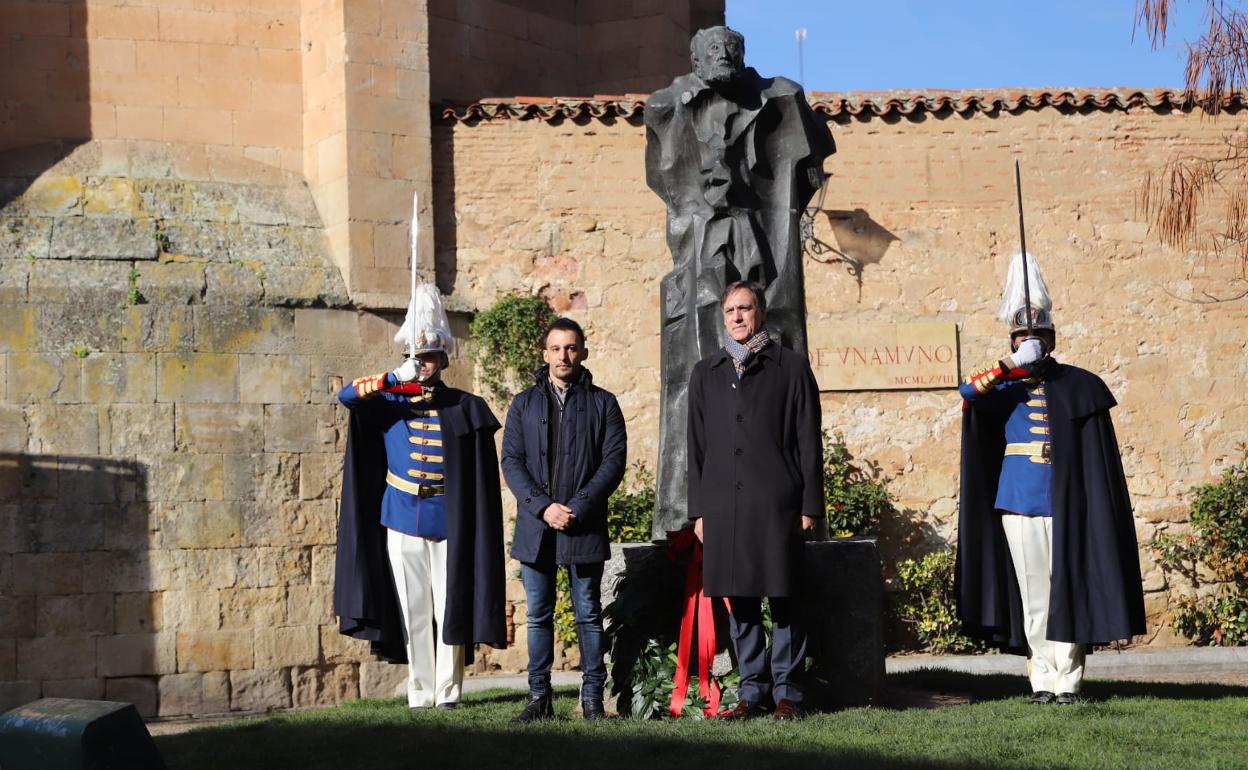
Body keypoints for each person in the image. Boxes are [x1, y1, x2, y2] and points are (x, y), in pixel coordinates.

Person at [644, 24, 836, 537]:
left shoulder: (779, 97)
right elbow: (666, 178)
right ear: (695, 59)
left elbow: (811, 159)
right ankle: (687, 506)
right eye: (711, 50)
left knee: (776, 349)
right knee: (699, 362)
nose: (721, 55)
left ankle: (788, 495)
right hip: (703, 242)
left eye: (729, 49)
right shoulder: (670, 104)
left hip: (759, 235)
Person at [956, 254, 1146, 705]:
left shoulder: (1079, 384)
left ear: (1052, 339)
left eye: (1037, 335)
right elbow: (967, 391)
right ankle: (1041, 677)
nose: (1031, 341)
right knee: (1035, 593)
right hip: (1019, 497)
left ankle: (1069, 681)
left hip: (1068, 500)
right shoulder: (1005, 385)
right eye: (1022, 336)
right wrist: (1008, 365)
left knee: (1069, 587)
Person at [333, 284, 507, 710]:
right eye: (416, 356)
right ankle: (420, 691)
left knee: (449, 606)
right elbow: (346, 397)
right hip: (400, 513)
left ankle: (448, 692)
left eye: (429, 356)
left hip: (447, 516)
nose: (423, 364)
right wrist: (395, 379)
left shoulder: (464, 405)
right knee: (413, 608)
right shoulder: (390, 400)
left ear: (444, 359)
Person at [687, 280, 824, 721]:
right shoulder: (706, 372)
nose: (738, 317)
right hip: (723, 507)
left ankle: (788, 694)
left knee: (784, 599)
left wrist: (809, 505)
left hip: (777, 503)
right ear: (723, 318)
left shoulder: (791, 367)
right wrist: (699, 510)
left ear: (761, 313)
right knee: (740, 601)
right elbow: (696, 448)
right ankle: (753, 692)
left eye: (745, 309)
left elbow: (808, 442)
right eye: (730, 311)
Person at [502, 318, 627, 722]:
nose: (563, 356)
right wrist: (543, 507)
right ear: (545, 354)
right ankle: (539, 697)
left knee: (588, 613)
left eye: (571, 348)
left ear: (583, 353)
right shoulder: (523, 404)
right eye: (556, 349)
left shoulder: (603, 403)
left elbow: (612, 462)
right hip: (537, 527)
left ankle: (592, 697)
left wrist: (578, 506)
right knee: (538, 615)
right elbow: (512, 462)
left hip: (582, 524)